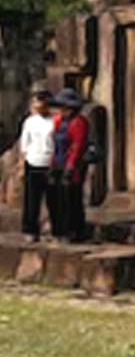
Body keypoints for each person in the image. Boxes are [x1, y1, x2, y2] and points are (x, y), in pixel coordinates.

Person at [48, 88, 89, 242]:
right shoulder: (59, 121)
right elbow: (54, 144)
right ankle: (59, 230)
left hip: (72, 166)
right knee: (56, 199)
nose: (62, 111)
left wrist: (70, 167)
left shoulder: (79, 123)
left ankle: (75, 231)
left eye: (65, 108)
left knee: (72, 200)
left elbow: (78, 146)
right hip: (58, 162)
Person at [18, 89, 55, 241]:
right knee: (31, 200)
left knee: (53, 199)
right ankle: (30, 230)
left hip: (50, 163)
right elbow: (24, 145)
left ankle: (54, 228)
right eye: (35, 103)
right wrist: (21, 165)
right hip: (33, 162)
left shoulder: (54, 121)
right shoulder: (29, 122)